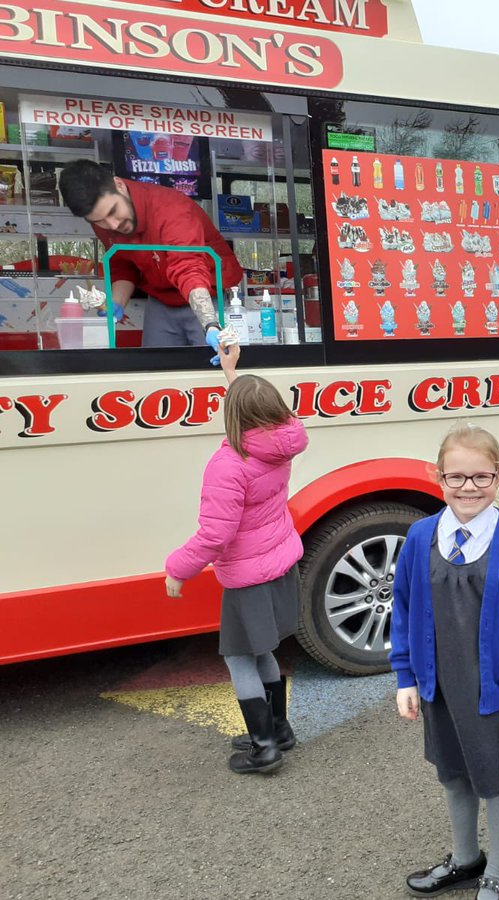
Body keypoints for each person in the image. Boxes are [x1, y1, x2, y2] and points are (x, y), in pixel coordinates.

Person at [390, 423, 499, 900]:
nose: (468, 488)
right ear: (437, 477)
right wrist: (406, 676)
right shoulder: (420, 538)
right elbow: (402, 610)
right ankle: (466, 859)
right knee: (453, 773)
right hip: (441, 686)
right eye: (456, 477)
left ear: (498, 477)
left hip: (493, 692)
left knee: (494, 779)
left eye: (481, 478)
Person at [164, 343, 306, 774]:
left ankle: (264, 749)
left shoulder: (229, 464)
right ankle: (279, 729)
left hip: (247, 576)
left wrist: (177, 568)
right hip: (279, 564)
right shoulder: (282, 442)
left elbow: (215, 535)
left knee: (239, 656)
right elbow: (254, 409)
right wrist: (233, 373)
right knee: (263, 648)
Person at [59, 159, 243, 351]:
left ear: (119, 186)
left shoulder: (172, 210)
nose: (112, 225)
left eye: (114, 211)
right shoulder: (103, 220)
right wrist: (116, 303)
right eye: (99, 221)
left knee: (215, 366)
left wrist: (210, 325)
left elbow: (189, 268)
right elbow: (123, 265)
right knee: (155, 368)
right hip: (160, 300)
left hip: (209, 294)